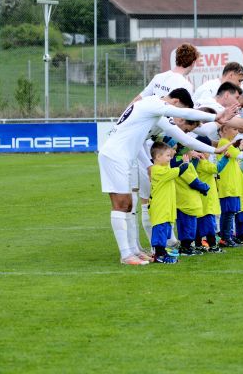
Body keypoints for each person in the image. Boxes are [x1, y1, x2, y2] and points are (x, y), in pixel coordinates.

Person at [98, 90, 235, 265]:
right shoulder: (152, 103)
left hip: (123, 157)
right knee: (122, 204)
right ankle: (126, 255)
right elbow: (184, 113)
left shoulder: (157, 114)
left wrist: (215, 150)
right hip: (114, 156)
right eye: (177, 111)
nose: (178, 119)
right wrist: (216, 117)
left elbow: (185, 139)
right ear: (175, 102)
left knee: (128, 205)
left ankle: (133, 250)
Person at [147, 141, 186, 264]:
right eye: (167, 156)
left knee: (164, 230)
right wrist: (185, 164)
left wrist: (174, 153)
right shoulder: (157, 170)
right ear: (158, 157)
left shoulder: (164, 166)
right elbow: (177, 171)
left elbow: (173, 160)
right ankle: (159, 254)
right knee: (160, 229)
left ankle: (162, 252)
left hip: (166, 206)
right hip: (160, 206)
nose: (170, 158)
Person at [133, 43, 199, 101]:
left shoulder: (158, 77)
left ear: (177, 58)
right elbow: (185, 112)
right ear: (192, 63)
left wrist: (124, 115)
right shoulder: (185, 85)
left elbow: (138, 99)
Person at [217, 124, 243, 247]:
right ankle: (225, 237)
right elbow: (241, 155)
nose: (236, 131)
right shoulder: (224, 142)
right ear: (224, 130)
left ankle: (229, 235)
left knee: (231, 212)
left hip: (233, 185)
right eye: (234, 128)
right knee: (228, 213)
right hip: (228, 185)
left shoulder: (229, 144)